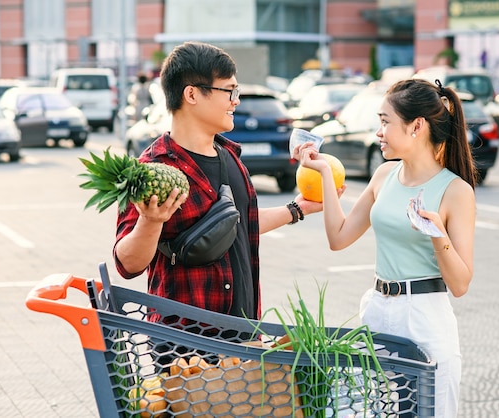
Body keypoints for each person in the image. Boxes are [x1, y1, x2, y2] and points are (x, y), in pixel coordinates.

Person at [297, 78, 476, 418]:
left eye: (385, 121)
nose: (378, 131)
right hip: (378, 309)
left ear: (416, 126)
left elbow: (461, 284)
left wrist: (438, 235)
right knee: (367, 411)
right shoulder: (383, 175)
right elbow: (338, 237)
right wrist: (323, 173)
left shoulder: (456, 191)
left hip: (424, 316)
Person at [113, 41, 322, 326]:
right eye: (229, 91)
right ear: (192, 94)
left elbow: (234, 224)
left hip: (242, 334)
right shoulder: (152, 169)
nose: (236, 100)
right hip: (184, 346)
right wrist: (150, 221)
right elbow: (127, 264)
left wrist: (298, 209)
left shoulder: (230, 157)